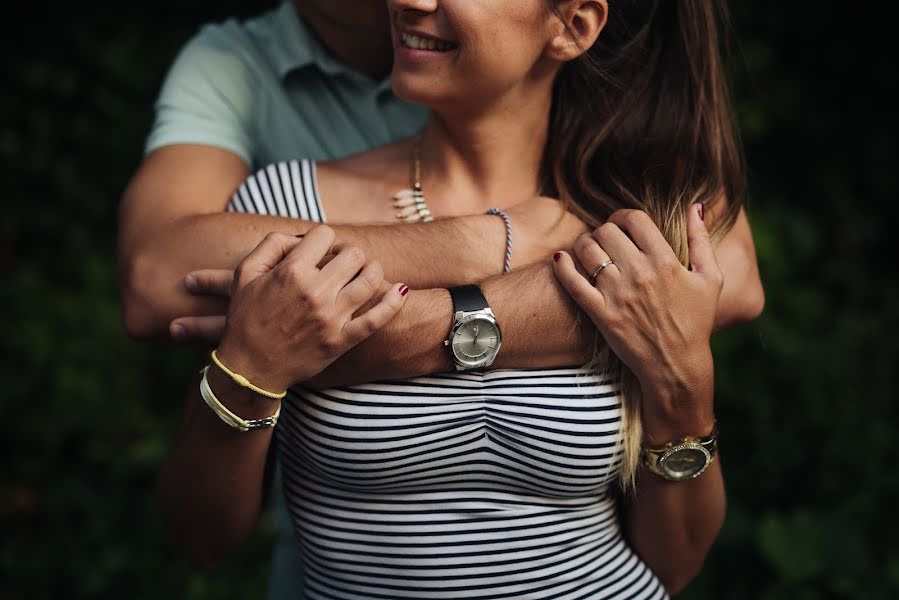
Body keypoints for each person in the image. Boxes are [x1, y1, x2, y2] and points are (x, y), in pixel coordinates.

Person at [145, 0, 764, 598]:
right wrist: (247, 373)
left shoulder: (629, 234)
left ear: (572, 26)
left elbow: (676, 564)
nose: (408, 1)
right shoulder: (286, 209)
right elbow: (203, 541)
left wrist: (684, 386)